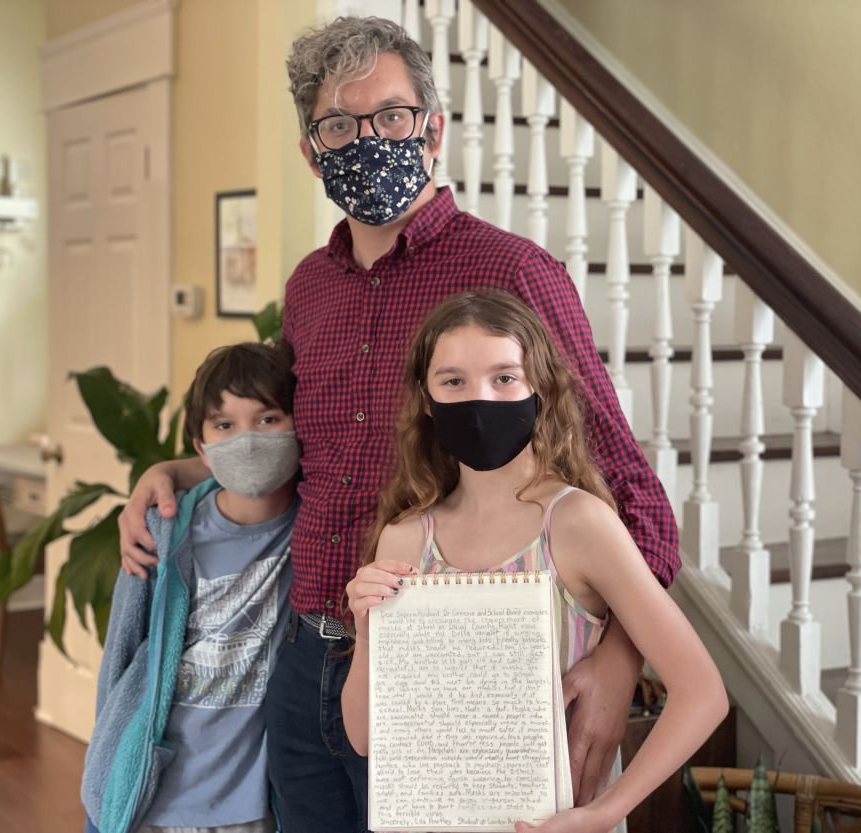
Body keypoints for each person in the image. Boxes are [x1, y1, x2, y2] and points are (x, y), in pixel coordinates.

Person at [118, 16, 680, 832]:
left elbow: (634, 491)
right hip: (302, 649)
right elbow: (286, 442)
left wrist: (621, 659)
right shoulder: (310, 285)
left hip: (445, 657)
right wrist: (172, 472)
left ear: (433, 128)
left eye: (389, 116)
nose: (366, 140)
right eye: (338, 126)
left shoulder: (513, 273)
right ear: (312, 152)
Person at [343, 290, 727, 833]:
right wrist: (366, 626)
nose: (480, 399)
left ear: (539, 389)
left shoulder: (578, 524)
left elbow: (703, 692)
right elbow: (362, 737)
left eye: (504, 377)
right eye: (453, 381)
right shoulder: (406, 538)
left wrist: (606, 811)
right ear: (426, 400)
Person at [82, 342, 300, 833]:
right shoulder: (163, 531)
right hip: (153, 794)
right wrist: (114, 767)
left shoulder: (312, 530)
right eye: (225, 425)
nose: (246, 440)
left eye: (268, 419)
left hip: (251, 806)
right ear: (202, 449)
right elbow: (121, 652)